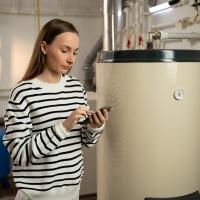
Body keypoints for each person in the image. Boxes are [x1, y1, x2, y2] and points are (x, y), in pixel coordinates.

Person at [3, 18, 109, 200]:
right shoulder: (23, 93)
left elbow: (85, 141)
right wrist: (63, 126)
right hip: (36, 195)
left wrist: (95, 127)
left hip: (72, 191)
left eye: (75, 52)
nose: (71, 59)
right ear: (44, 48)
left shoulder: (76, 88)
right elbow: (19, 154)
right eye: (64, 50)